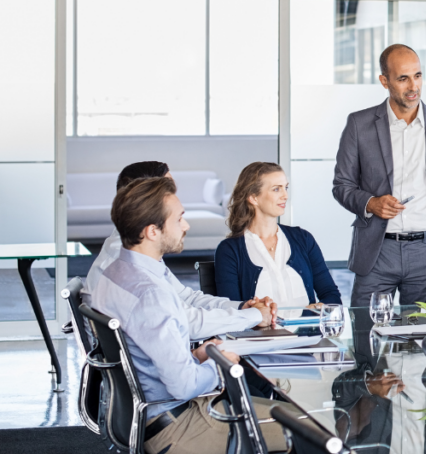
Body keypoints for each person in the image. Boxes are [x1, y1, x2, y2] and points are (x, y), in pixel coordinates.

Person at [89, 176, 294, 454]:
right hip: (179, 427)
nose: (186, 226)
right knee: (316, 427)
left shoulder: (115, 273)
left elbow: (151, 345)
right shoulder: (150, 293)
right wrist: (222, 363)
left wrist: (198, 356)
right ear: (152, 231)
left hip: (151, 418)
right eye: (179, 219)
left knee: (293, 415)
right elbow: (184, 386)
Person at [332, 43, 426, 307]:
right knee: (364, 335)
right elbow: (342, 185)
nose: (413, 86)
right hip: (377, 250)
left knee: (420, 339)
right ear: (385, 81)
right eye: (403, 78)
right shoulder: (359, 124)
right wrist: (371, 203)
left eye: (417, 75)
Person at [83, 161, 275, 338]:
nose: (185, 224)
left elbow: (184, 297)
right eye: (167, 189)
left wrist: (242, 307)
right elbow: (186, 322)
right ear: (145, 200)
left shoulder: (135, 251)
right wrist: (252, 316)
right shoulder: (128, 265)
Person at [216, 162, 341, 308]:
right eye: (276, 189)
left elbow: (332, 296)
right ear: (253, 198)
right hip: (261, 331)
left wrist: (315, 309)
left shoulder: (303, 239)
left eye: (285, 188)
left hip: (305, 330)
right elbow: (230, 310)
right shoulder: (229, 250)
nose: (285, 195)